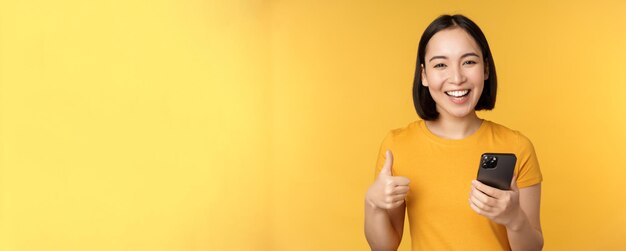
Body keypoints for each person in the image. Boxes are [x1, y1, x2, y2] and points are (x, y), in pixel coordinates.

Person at [364, 14, 544, 251]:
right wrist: (372, 203)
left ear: (486, 69)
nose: (457, 78)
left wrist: (514, 219)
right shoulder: (397, 146)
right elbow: (384, 247)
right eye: (440, 64)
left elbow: (533, 248)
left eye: (469, 62)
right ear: (424, 75)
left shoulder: (517, 146)